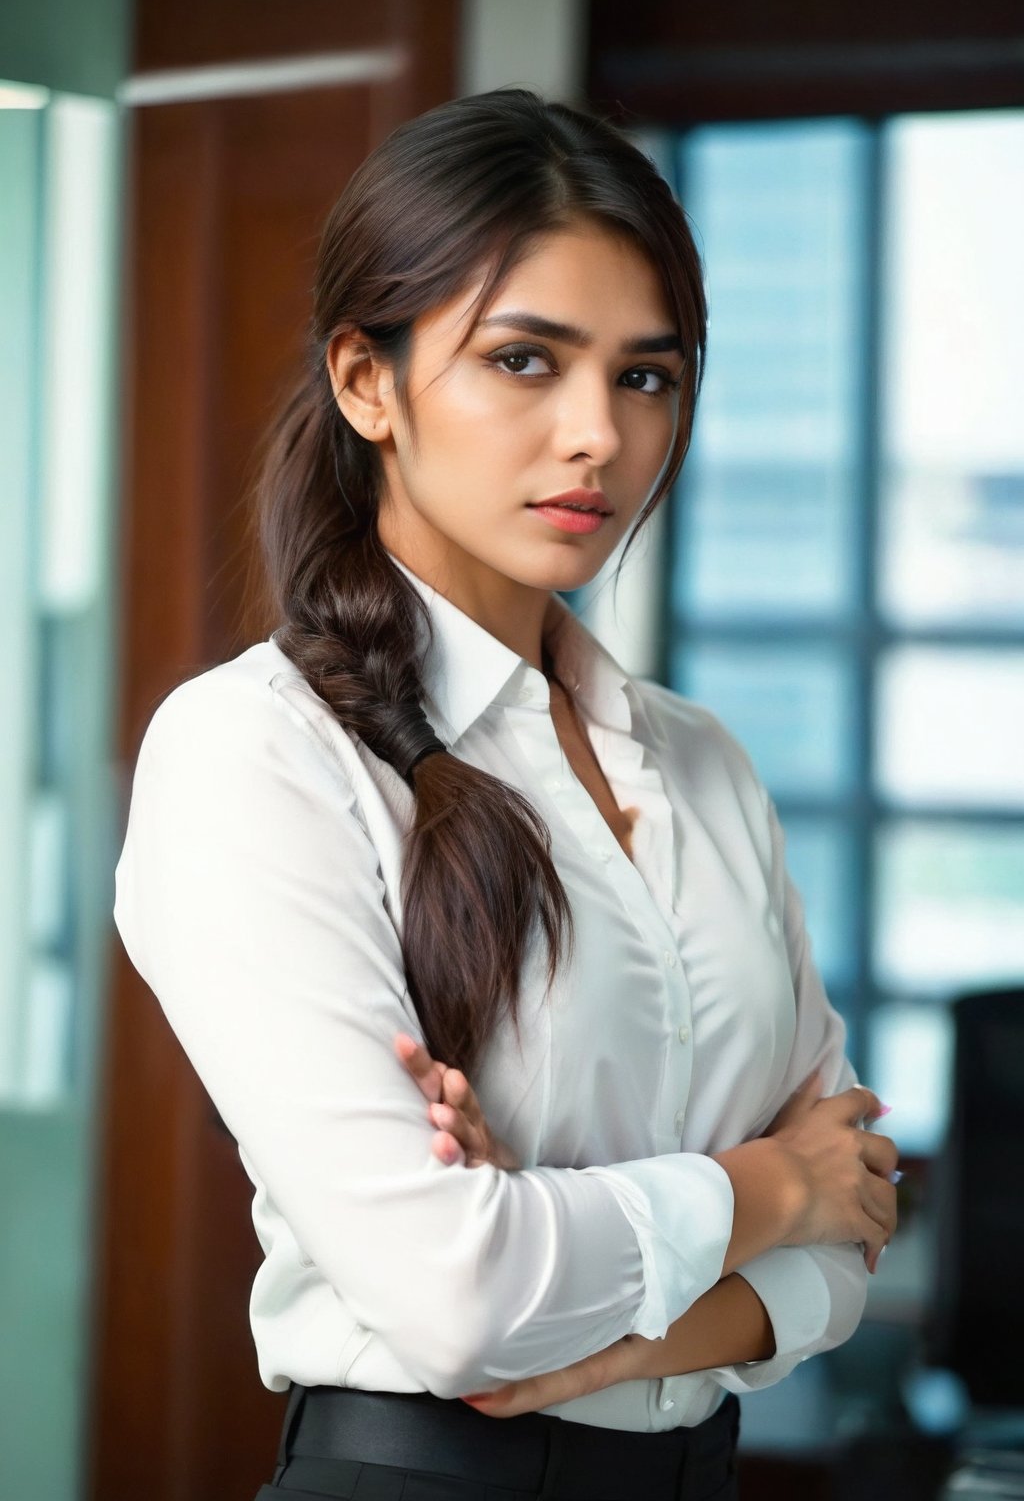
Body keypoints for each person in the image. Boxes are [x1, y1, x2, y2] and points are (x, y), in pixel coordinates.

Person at [113, 89, 899, 1501]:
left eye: (646, 376)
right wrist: (771, 1188)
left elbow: (854, 1247)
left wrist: (593, 1324)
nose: (598, 434)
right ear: (369, 381)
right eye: (525, 361)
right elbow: (460, 1297)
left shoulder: (703, 760)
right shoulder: (255, 754)